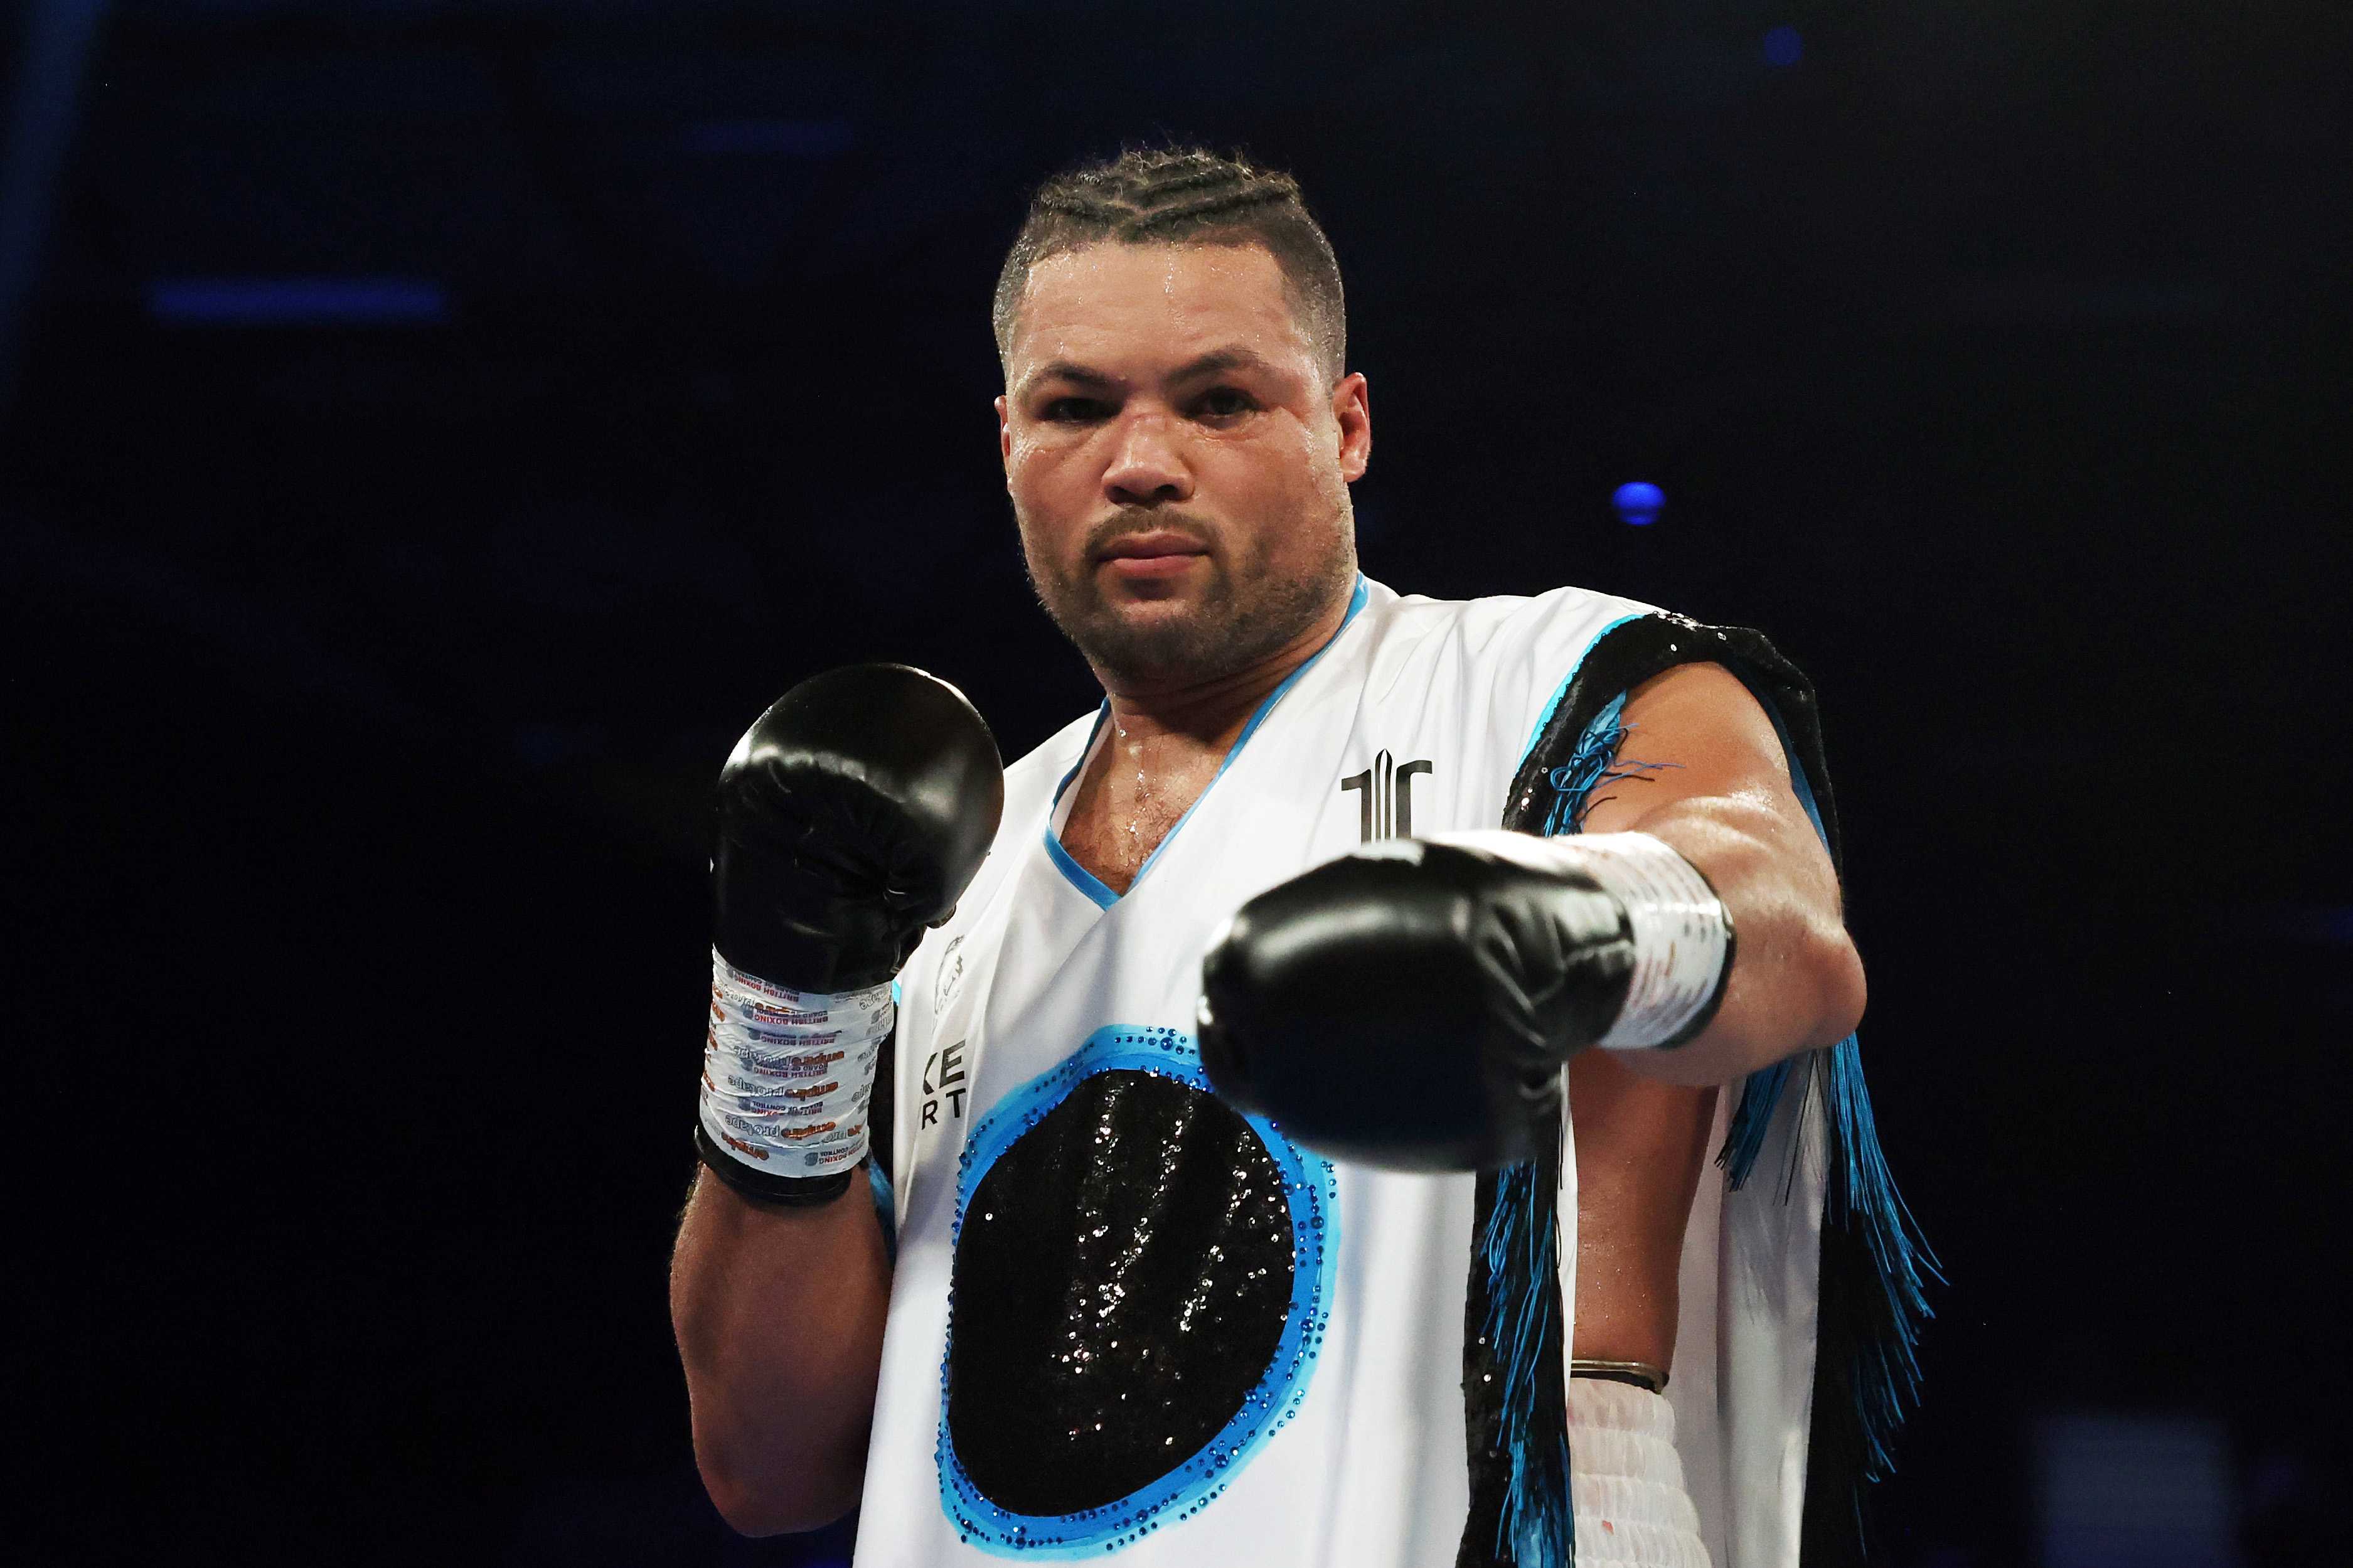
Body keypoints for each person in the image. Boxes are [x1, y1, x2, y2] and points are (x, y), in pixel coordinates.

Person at [670, 147, 1930, 1568]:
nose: (1141, 462)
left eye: (1218, 400)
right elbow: (765, 1460)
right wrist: (785, 1009)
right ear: (1010, 441)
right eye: (1078, 406)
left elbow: (1791, 933)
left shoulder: (1552, 685)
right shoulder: (939, 875)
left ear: (1346, 426)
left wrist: (1564, 920)